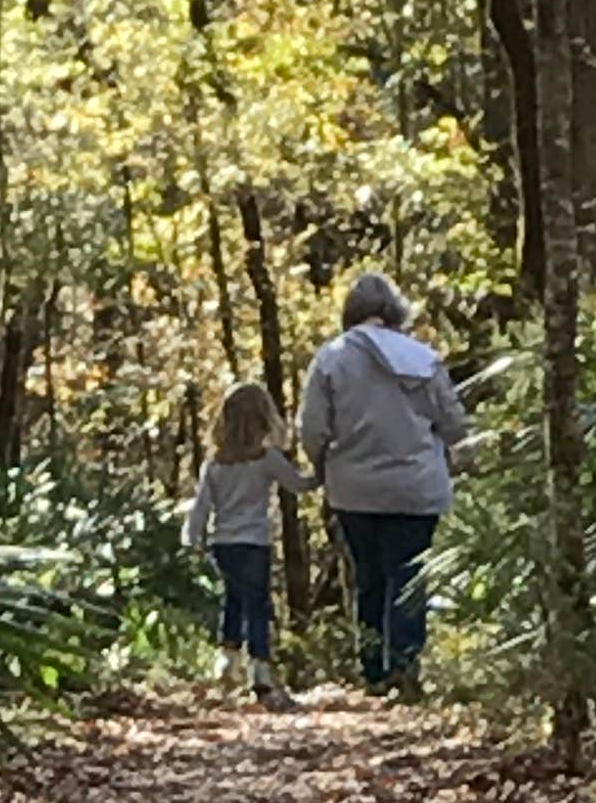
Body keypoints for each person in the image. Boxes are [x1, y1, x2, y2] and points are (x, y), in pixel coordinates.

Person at [297, 273, 471, 695]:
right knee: (408, 576)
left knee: (369, 576)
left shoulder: (330, 358)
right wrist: (463, 460)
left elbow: (312, 428)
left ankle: (372, 668)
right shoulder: (423, 358)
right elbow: (453, 424)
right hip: (416, 488)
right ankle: (405, 666)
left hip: (353, 489)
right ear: (395, 312)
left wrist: (320, 466)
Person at [185, 379, 314, 711]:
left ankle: (228, 659)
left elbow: (200, 508)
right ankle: (259, 668)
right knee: (257, 603)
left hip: (223, 543)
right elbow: (298, 484)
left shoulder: (214, 465)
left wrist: (192, 539)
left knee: (233, 598)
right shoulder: (267, 459)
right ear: (263, 419)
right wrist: (325, 471)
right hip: (254, 542)